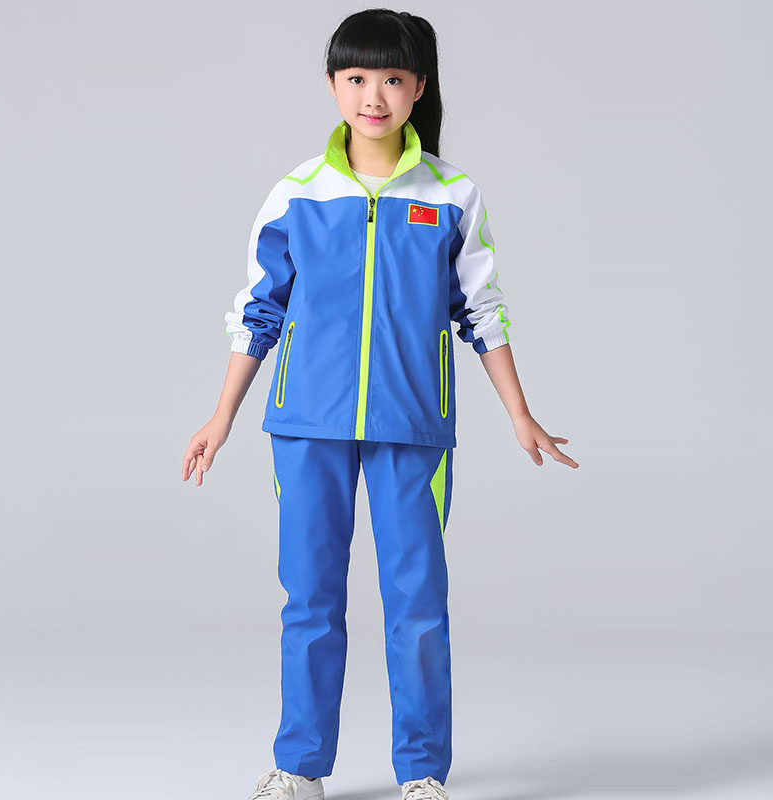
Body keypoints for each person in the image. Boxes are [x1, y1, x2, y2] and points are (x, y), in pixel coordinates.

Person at [182, 9, 578, 800]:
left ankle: (421, 772)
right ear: (332, 85)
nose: (374, 95)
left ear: (419, 87)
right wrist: (221, 415)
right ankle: (299, 766)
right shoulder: (297, 194)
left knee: (417, 604)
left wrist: (519, 413)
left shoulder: (452, 196)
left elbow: (482, 312)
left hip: (413, 425)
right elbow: (257, 311)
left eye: (393, 78)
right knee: (310, 600)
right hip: (306, 425)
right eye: (357, 77)